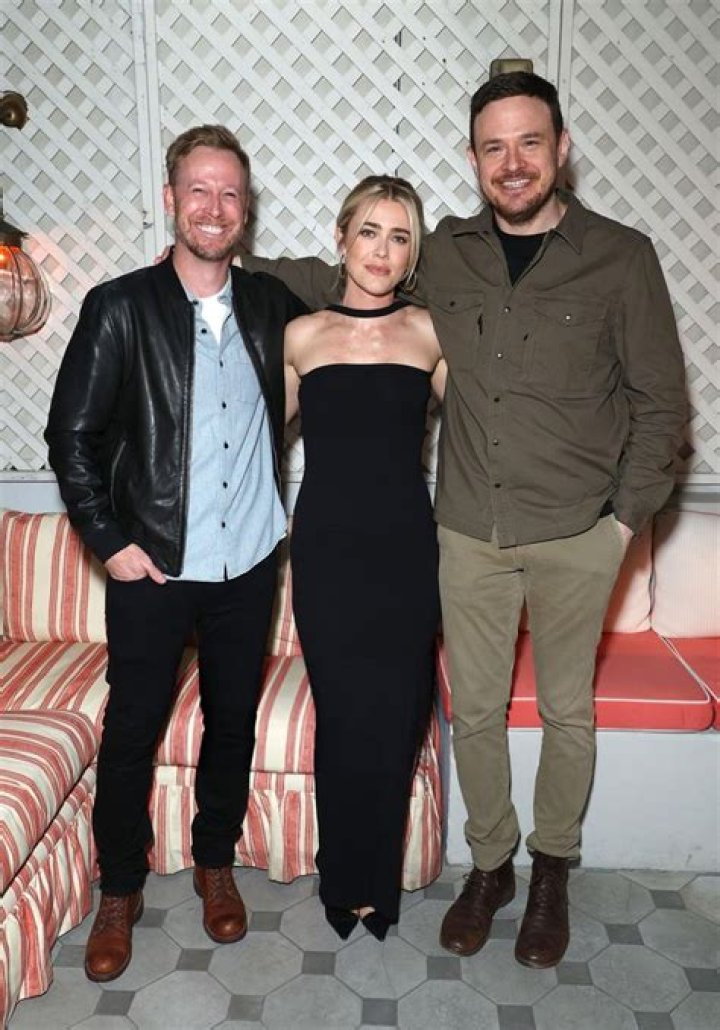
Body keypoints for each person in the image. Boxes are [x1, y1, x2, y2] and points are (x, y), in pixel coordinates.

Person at [239, 71, 686, 966]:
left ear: (562, 149)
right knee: (474, 713)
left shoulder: (621, 256)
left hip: (576, 530)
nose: (512, 162)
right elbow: (338, 278)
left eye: (530, 142)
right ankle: (490, 868)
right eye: (493, 147)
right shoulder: (449, 253)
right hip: (468, 532)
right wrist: (224, 263)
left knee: (567, 712)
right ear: (474, 158)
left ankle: (551, 868)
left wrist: (621, 526)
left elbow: (663, 406)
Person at [45, 125, 306, 982]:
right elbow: (71, 437)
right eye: (199, 189)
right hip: (152, 564)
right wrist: (108, 541)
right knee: (132, 730)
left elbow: (350, 330)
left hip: (248, 564)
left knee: (231, 722)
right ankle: (119, 887)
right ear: (170, 199)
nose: (214, 207)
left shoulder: (272, 306)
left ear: (246, 209)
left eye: (230, 193)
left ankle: (214, 862)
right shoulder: (119, 306)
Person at [285, 175, 445, 939]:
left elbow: (492, 433)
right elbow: (246, 436)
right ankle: (341, 876)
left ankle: (378, 884)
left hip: (406, 553)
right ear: (343, 238)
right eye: (370, 232)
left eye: (399, 236)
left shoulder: (430, 333)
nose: (382, 251)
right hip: (326, 553)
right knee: (344, 716)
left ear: (412, 253)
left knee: (397, 717)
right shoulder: (302, 336)